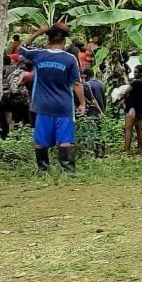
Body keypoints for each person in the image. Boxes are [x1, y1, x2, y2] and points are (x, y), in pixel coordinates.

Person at [19, 24, 85, 173]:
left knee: (41, 139)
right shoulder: (69, 59)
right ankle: (68, 169)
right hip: (63, 105)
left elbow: (21, 48)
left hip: (42, 105)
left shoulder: (39, 55)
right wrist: (82, 102)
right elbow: (76, 83)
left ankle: (43, 169)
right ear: (64, 42)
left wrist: (38, 33)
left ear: (48, 40)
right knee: (65, 138)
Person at [124, 65, 142, 154]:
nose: (134, 74)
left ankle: (127, 150)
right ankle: (139, 148)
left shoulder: (135, 82)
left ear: (141, 73)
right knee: (140, 129)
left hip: (132, 107)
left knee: (128, 129)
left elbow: (125, 92)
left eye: (136, 72)